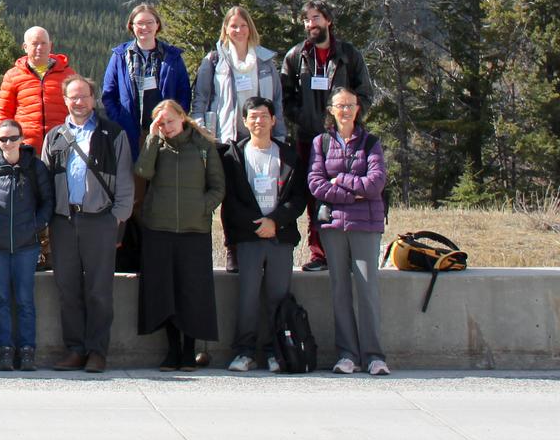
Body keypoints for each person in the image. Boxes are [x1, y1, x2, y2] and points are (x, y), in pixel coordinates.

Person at [41, 76, 134, 372]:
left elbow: (125, 179)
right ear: (65, 100)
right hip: (63, 221)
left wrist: (116, 217)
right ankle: (75, 349)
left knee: (99, 291)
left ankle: (97, 351)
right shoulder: (54, 137)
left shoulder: (113, 134)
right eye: (73, 97)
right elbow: (45, 182)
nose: (78, 102)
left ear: (93, 99)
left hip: (100, 219)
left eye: (84, 96)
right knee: (67, 289)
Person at [101, 2, 190, 277]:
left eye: (150, 22)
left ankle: (162, 255)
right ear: (132, 26)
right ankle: (134, 254)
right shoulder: (120, 55)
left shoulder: (172, 57)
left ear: (157, 25)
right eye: (139, 23)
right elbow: (108, 95)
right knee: (135, 196)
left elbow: (184, 94)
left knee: (163, 192)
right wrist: (122, 123)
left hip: (165, 134)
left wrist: (172, 123)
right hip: (132, 134)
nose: (145, 27)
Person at [134, 99, 224, 370]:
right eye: (161, 123)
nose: (167, 127)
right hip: (159, 230)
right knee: (164, 293)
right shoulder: (156, 145)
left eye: (170, 121)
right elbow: (143, 172)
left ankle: (189, 351)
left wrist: (201, 208)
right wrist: (152, 138)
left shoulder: (203, 146)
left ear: (182, 117)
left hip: (193, 231)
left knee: (192, 292)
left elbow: (218, 187)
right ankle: (172, 350)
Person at [219, 96, 305, 371]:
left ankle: (274, 352)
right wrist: (256, 224)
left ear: (273, 120)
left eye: (264, 116)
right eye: (253, 117)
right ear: (244, 122)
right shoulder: (233, 156)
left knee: (278, 297)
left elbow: (298, 198)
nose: (259, 121)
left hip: (280, 236)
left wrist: (275, 222)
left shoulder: (288, 155)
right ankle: (244, 351)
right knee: (247, 297)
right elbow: (230, 200)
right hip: (249, 237)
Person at [282, 0, 370, 271]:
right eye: (307, 19)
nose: (311, 24)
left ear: (328, 20)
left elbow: (365, 93)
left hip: (343, 138)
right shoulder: (296, 56)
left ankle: (345, 254)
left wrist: (349, 121)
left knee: (345, 192)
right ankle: (319, 254)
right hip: (308, 138)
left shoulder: (349, 55)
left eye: (316, 17)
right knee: (314, 195)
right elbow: (285, 97)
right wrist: (303, 117)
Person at [308, 86, 389, 375]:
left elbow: (375, 184)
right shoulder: (321, 143)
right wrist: (353, 194)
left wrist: (340, 179)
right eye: (339, 106)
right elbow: (316, 183)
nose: (345, 110)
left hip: (366, 226)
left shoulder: (371, 143)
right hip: (333, 226)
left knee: (368, 290)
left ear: (358, 109)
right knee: (340, 290)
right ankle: (347, 354)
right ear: (330, 110)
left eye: (350, 105)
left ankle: (374, 355)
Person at [0, 118, 53, 371]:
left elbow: (48, 200)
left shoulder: (35, 167)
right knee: (1, 300)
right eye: (3, 139)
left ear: (21, 139)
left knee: (25, 300)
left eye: (13, 138)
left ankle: (27, 350)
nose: (8, 143)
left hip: (26, 245)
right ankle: (5, 351)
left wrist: (36, 225)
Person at [193, 5, 284, 145]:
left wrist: (279, 135)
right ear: (226, 29)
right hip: (224, 137)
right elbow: (201, 99)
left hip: (261, 136)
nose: (239, 30)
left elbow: (277, 101)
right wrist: (201, 130)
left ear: (250, 28)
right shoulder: (214, 60)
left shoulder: (265, 61)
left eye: (243, 26)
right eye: (233, 26)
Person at [0, 26, 76, 154]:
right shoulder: (12, 76)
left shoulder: (68, 74)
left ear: (50, 46)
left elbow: (78, 109)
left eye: (43, 43)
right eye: (35, 44)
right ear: (25, 47)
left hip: (61, 146)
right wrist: (0, 144)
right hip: (25, 149)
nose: (40, 47)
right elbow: (4, 114)